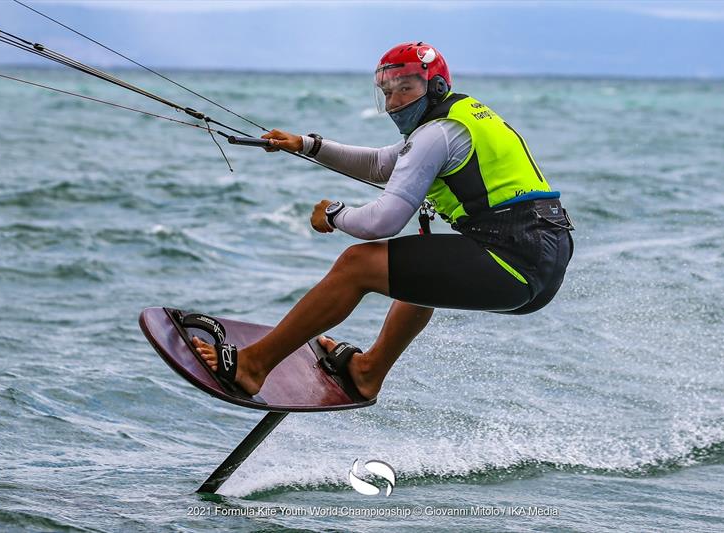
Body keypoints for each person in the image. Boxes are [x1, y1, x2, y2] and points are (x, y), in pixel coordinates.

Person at [192, 42, 574, 401]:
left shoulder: (438, 133)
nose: (394, 102)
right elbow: (381, 163)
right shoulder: (459, 118)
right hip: (543, 255)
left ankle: (253, 365)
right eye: (387, 92)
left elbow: (382, 222)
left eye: (405, 89)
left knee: (357, 264)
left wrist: (334, 213)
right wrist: (307, 145)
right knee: (421, 262)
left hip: (514, 257)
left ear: (436, 86)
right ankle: (367, 372)